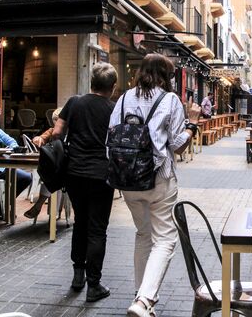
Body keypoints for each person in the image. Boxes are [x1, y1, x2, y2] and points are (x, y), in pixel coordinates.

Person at [108, 54, 201, 317]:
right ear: (166, 76)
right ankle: (145, 300)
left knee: (143, 234)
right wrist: (192, 123)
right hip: (159, 178)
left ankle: (140, 298)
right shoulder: (170, 100)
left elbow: (111, 134)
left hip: (127, 179)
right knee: (164, 240)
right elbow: (177, 145)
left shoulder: (124, 98)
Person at [52, 63, 117, 302]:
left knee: (81, 223)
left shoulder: (74, 102)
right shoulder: (114, 108)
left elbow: (58, 132)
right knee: (97, 228)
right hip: (102, 175)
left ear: (91, 82)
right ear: (112, 86)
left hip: (75, 173)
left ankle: (77, 277)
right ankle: (94, 285)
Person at [23, 107, 62, 219]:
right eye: (54, 122)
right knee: (52, 177)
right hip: (53, 170)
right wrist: (38, 139)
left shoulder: (71, 133)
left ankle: (40, 206)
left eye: (58, 122)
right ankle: (51, 216)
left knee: (55, 178)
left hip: (69, 171)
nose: (56, 126)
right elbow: (39, 138)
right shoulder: (51, 131)